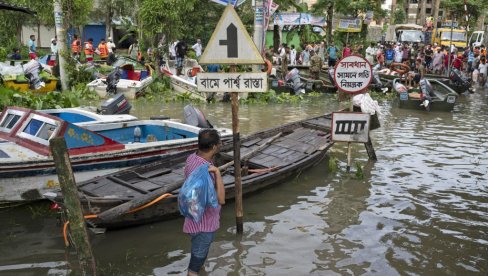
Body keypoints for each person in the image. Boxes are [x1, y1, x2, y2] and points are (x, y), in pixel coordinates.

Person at [182, 129, 225, 276]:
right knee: (194, 267)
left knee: (199, 259)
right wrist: (218, 174)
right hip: (203, 225)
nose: (220, 145)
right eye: (219, 143)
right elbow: (221, 199)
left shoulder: (192, 158)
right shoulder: (207, 170)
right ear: (213, 146)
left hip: (192, 219)